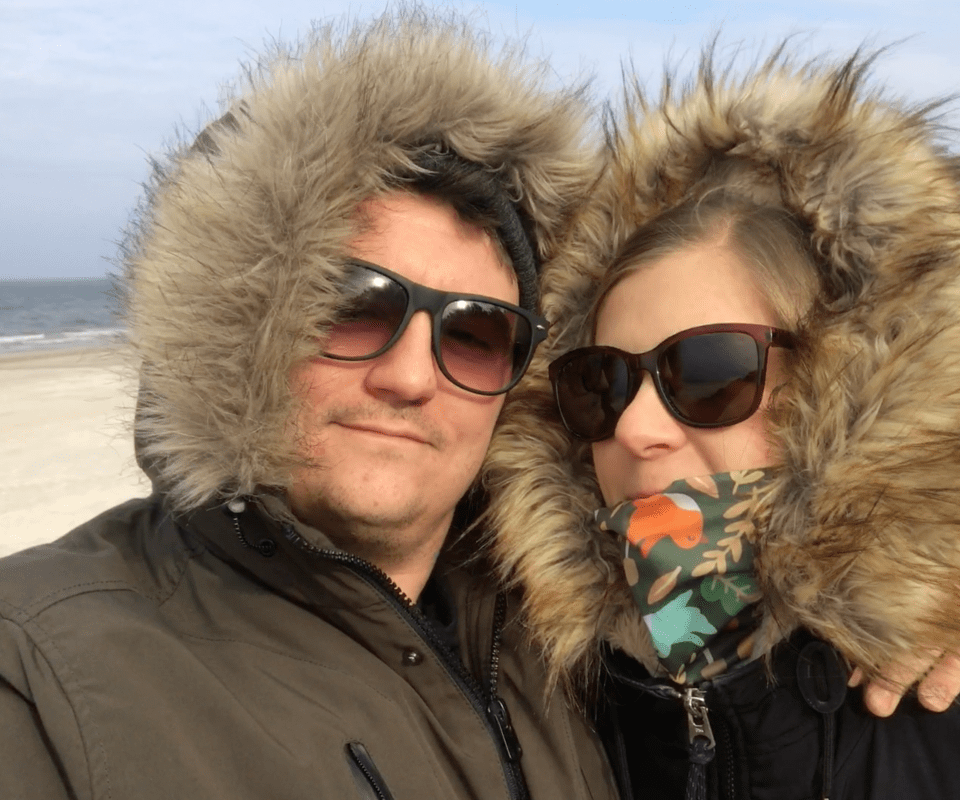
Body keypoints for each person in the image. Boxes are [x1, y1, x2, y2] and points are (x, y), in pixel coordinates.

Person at [481, 46, 960, 798]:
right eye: (600, 383)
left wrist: (906, 530)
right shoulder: (540, 718)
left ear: (846, 396)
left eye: (708, 374)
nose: (634, 429)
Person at [0, 11, 621, 799]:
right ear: (240, 331)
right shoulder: (38, 671)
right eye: (350, 306)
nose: (410, 377)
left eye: (476, 334)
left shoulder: (575, 645)